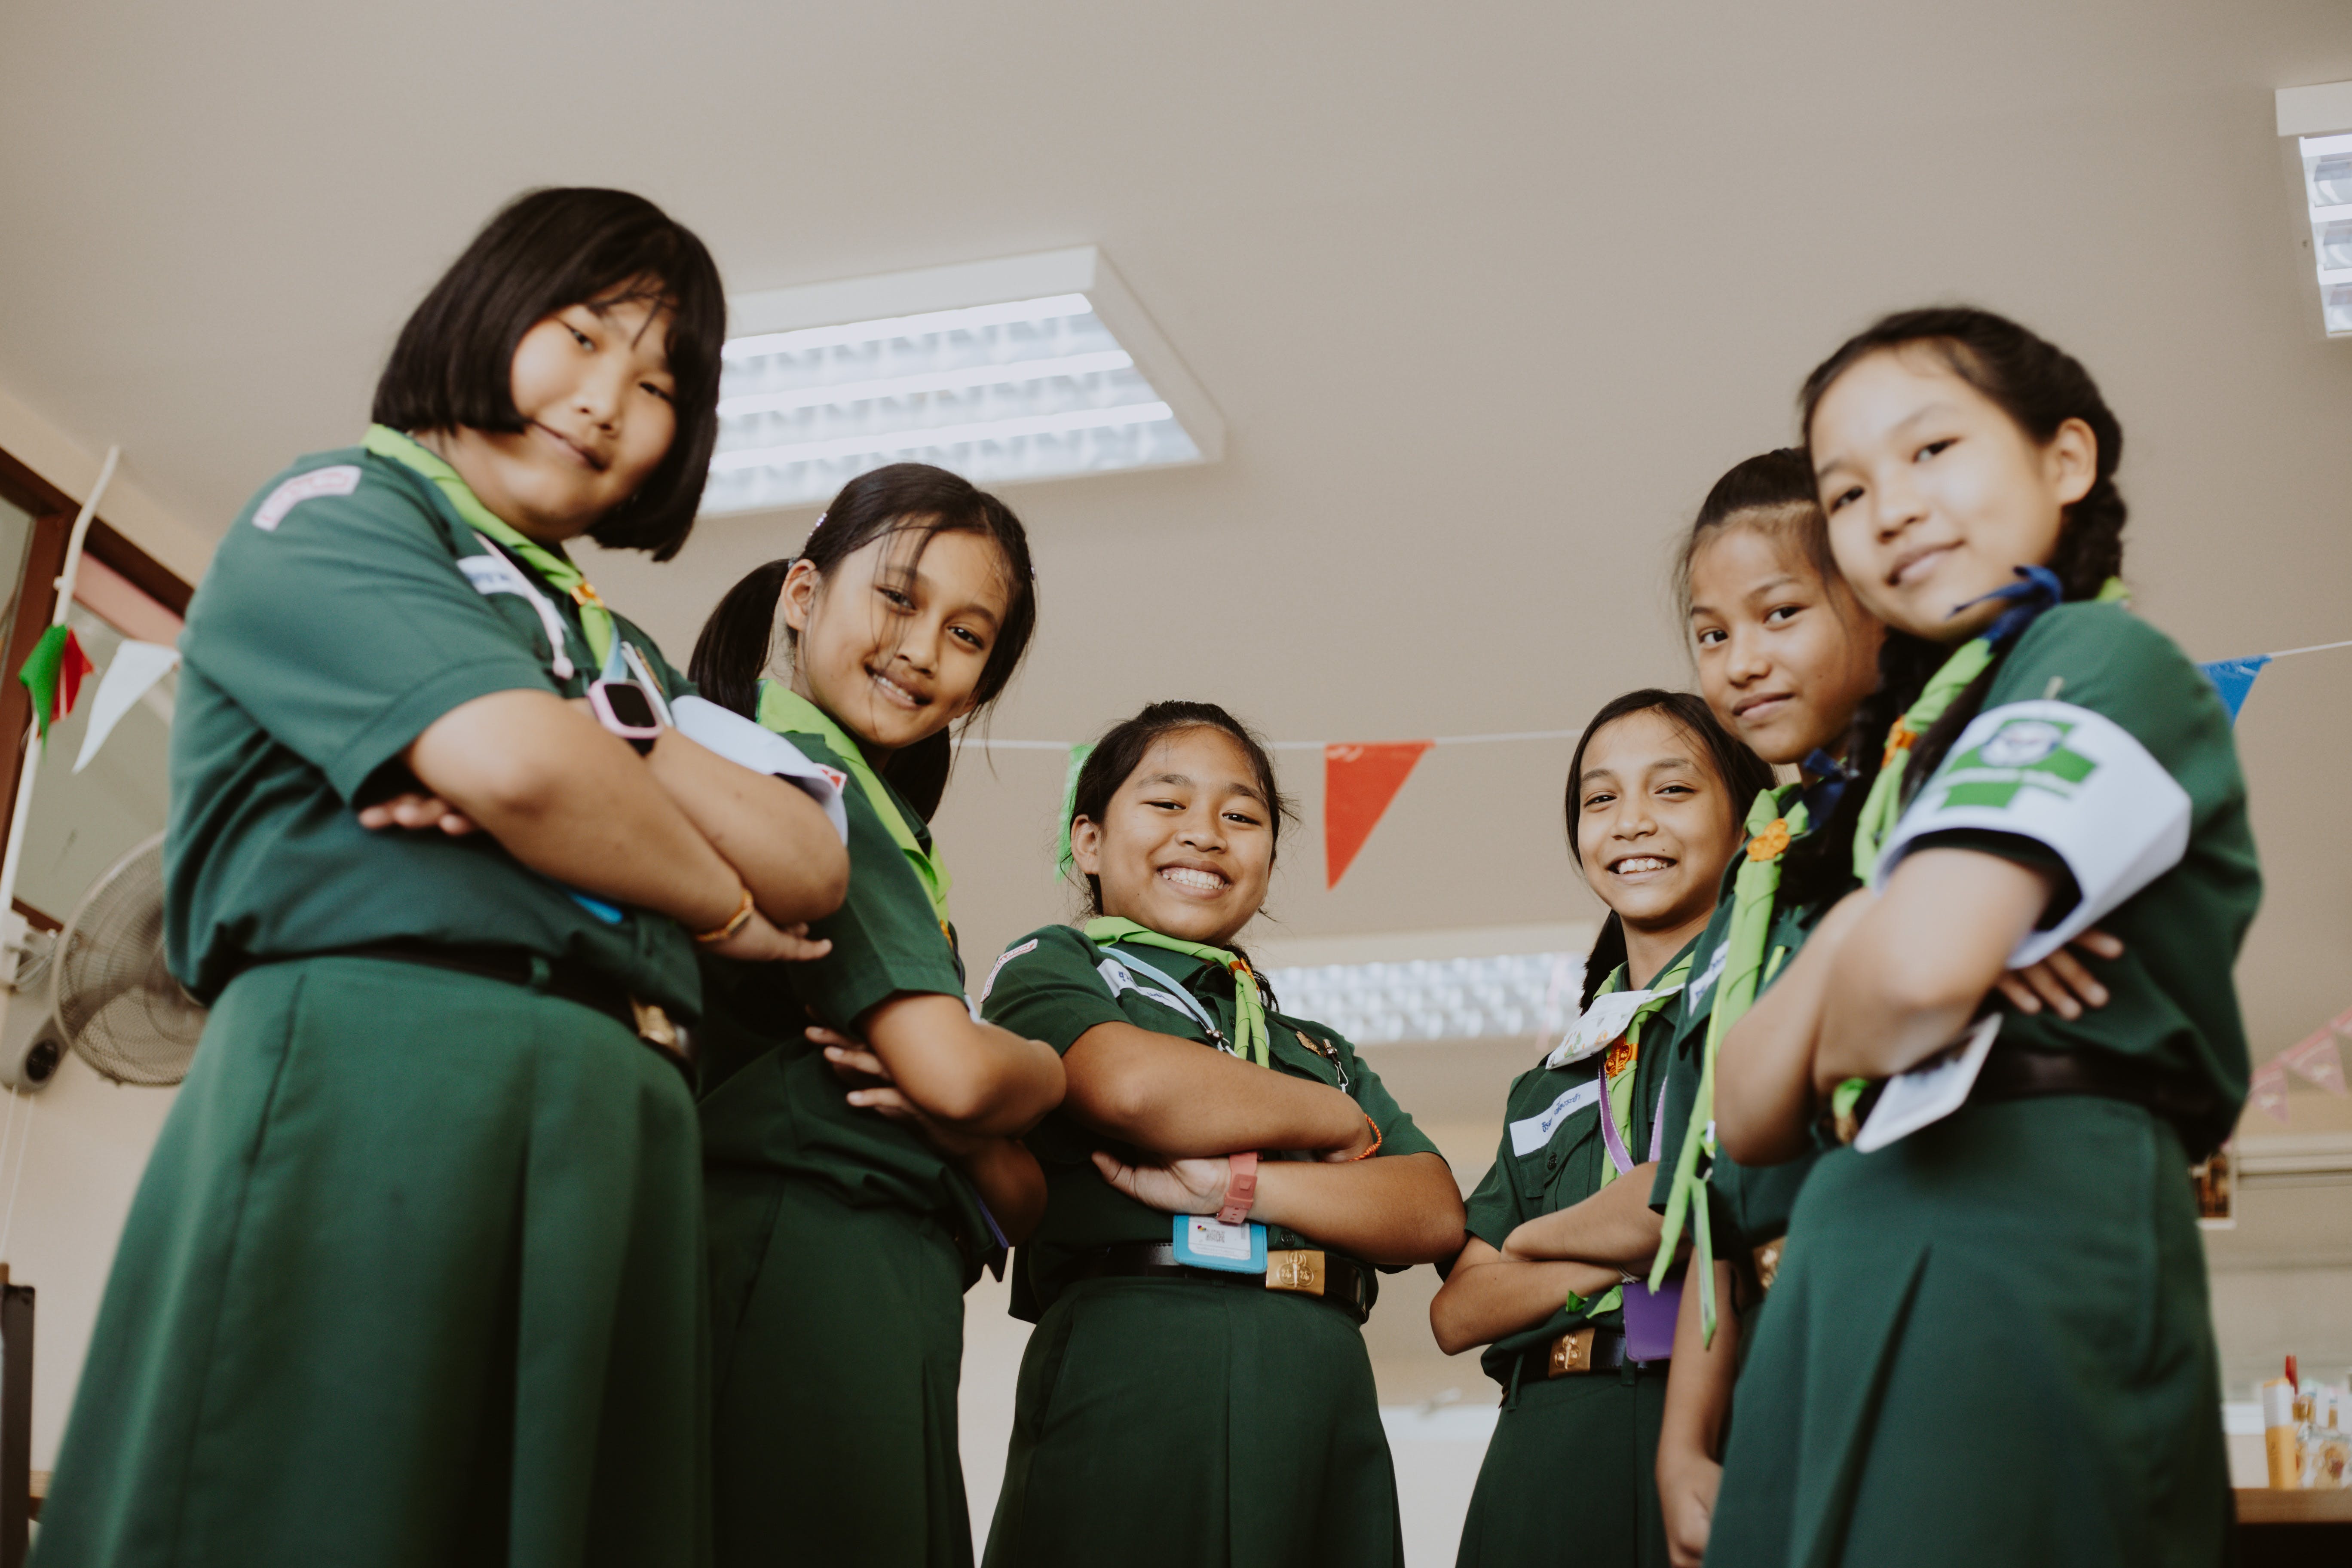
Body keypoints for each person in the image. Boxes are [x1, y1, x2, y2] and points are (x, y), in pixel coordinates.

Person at [36, 187, 852, 1568]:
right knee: (315, 1508)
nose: (606, 402)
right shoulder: (341, 508)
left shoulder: (605, 637)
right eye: (582, 337)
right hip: (387, 1071)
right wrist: (702, 896)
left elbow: (811, 861)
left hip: (624, 1120)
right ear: (484, 313)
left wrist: (596, 749)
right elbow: (523, 770)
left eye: (658, 384)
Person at [1703, 307, 2260, 1568]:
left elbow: (1914, 982)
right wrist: (1860, 922)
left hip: (2021, 1211)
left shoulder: (2096, 651)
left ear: (2066, 461)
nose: (1890, 508)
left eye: (1933, 449)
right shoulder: (1909, 772)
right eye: (1847, 492)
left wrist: (1886, 960)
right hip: (1859, 1228)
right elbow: (1744, 1106)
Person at [1640, 450, 2118, 1566]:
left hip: (1937, 1312)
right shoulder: (1764, 878)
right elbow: (1725, 1176)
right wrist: (1682, 1446)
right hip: (1777, 1355)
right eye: (1711, 634)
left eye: (1781, 614)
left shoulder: (1960, 817)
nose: (1741, 663)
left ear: (1880, 606)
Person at [976, 701, 1462, 1568]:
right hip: (1137, 1358)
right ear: (1088, 842)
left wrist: (1241, 1186)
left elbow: (1428, 1212)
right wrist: (1332, 1119)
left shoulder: (1314, 1045)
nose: (1204, 834)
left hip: (1319, 1381)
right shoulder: (1059, 966)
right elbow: (1131, 1090)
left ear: (1269, 861)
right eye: (1166, 804)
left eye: (1241, 817)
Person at [687, 463, 1065, 1568]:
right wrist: (1042, 1069)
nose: (920, 648)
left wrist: (981, 1119)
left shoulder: (883, 816)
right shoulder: (793, 776)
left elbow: (1019, 1192)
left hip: (885, 1278)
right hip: (797, 1262)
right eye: (896, 599)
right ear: (801, 595)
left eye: (966, 633)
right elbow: (954, 1083)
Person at [1430, 689, 1772, 1568]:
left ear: (1745, 818)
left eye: (1672, 791)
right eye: (1601, 798)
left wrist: (1535, 1247)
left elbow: (1678, 1205)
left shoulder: (1771, 999)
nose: (1630, 824)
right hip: (1547, 1438)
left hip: (1726, 1415)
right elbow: (1461, 1310)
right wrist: (1610, 1246)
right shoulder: (1552, 1081)